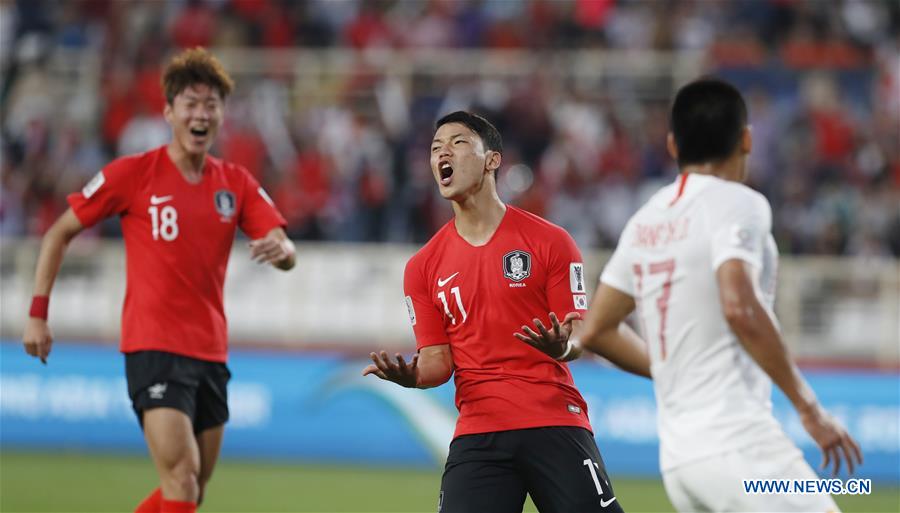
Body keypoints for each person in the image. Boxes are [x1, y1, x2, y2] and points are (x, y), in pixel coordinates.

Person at [531, 78, 862, 512]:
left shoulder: (646, 221)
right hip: (740, 448)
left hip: (681, 462)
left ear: (672, 144)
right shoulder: (739, 203)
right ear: (745, 138)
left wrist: (673, 369)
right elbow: (740, 306)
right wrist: (810, 409)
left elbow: (595, 331)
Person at [22, 48, 295, 513]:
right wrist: (37, 315)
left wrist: (282, 251)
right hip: (153, 347)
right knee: (183, 476)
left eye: (211, 105)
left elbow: (284, 246)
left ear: (221, 116)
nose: (201, 114)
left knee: (190, 489)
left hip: (210, 351)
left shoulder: (236, 182)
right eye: (190, 103)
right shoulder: (134, 173)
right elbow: (58, 232)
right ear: (169, 111)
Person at [362, 111, 631, 513]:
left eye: (456, 143)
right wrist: (414, 375)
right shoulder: (422, 268)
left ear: (492, 160)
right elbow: (438, 362)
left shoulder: (551, 242)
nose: (442, 155)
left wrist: (563, 346)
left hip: (553, 417)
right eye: (435, 148)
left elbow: (577, 331)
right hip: (479, 431)